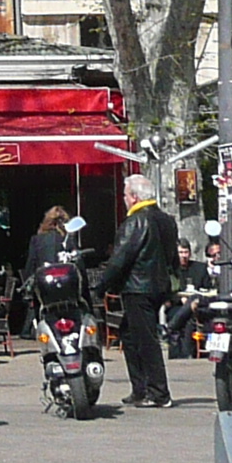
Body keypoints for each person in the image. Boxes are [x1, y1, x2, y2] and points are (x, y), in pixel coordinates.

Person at [91, 172, 180, 409]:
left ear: (133, 197)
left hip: (139, 288)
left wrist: (100, 288)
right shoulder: (167, 220)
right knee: (129, 335)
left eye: (125, 195)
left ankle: (159, 392)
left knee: (146, 340)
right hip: (159, 286)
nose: (123, 199)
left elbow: (120, 259)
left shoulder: (135, 222)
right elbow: (173, 257)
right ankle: (140, 389)